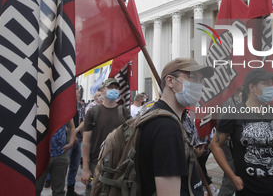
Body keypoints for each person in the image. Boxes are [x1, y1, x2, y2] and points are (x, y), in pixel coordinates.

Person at [211, 68, 273, 196]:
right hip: (251, 190)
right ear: (252, 87)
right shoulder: (233, 113)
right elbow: (215, 145)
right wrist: (232, 177)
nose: (271, 87)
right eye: (266, 83)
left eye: (271, 83)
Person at [138, 57, 214, 196]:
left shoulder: (178, 119)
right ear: (170, 81)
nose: (198, 84)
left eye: (200, 80)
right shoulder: (166, 127)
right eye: (192, 77)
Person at [81, 78, 130, 196]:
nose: (114, 90)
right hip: (96, 163)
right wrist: (86, 169)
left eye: (116, 88)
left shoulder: (123, 111)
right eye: (110, 88)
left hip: (118, 164)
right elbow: (86, 142)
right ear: (103, 91)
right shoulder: (93, 112)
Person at [36, 120, 76, 196]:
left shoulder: (63, 109)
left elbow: (72, 127)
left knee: (59, 190)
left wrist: (71, 142)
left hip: (60, 154)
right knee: (35, 189)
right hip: (41, 155)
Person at [217, 86, 243, 196]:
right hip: (227, 142)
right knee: (231, 174)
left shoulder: (241, 97)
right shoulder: (226, 98)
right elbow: (223, 123)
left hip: (236, 142)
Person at [66, 87, 85, 196]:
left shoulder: (80, 105)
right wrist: (72, 135)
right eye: (76, 90)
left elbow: (83, 120)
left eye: (78, 91)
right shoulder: (65, 105)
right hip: (67, 138)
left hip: (77, 138)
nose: (78, 92)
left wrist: (76, 131)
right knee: (64, 165)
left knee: (75, 165)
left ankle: (70, 189)